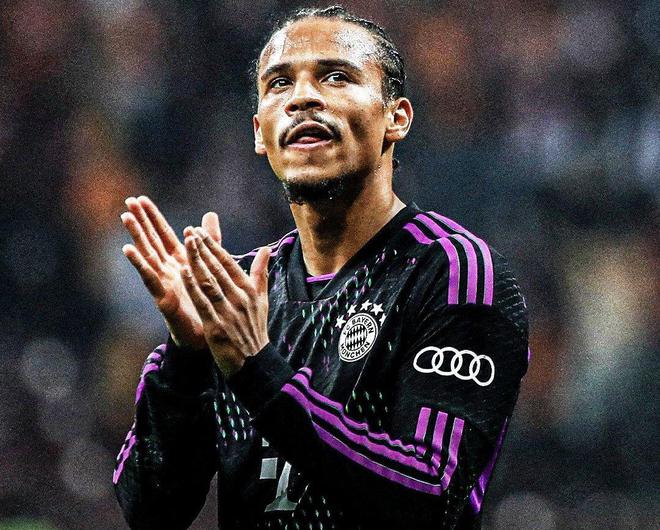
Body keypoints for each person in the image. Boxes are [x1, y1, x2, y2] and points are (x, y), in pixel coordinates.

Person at [113, 6, 529, 529]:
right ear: (260, 133)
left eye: (336, 77)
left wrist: (257, 371)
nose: (303, 97)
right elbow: (150, 513)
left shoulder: (450, 271)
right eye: (279, 83)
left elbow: (431, 494)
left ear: (396, 118)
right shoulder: (242, 295)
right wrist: (185, 360)